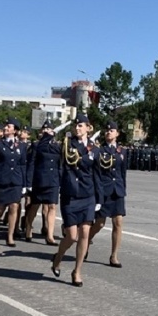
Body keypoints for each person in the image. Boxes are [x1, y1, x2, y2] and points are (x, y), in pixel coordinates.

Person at [51, 114, 100, 287]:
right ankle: (58, 258)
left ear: (88, 128)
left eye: (81, 126)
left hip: (87, 195)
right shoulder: (66, 145)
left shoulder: (95, 149)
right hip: (70, 195)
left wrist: (99, 198)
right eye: (76, 126)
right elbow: (49, 150)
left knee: (85, 233)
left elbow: (97, 175)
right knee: (72, 236)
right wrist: (51, 134)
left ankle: (77, 271)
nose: (77, 128)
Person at [88, 120, 128, 267]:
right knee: (99, 224)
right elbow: (96, 173)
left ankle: (114, 256)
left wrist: (123, 189)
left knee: (118, 222)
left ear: (117, 133)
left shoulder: (122, 151)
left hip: (117, 191)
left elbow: (122, 172)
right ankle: (86, 241)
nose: (108, 132)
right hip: (104, 191)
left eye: (111, 130)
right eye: (107, 130)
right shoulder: (99, 150)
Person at [0, 117, 29, 247]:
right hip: (2, 179)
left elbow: (23, 165)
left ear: (15, 130)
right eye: (6, 126)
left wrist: (24, 184)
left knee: (14, 207)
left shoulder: (21, 146)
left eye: (9, 126)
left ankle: (10, 236)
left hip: (16, 181)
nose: (6, 128)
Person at [22, 120, 60, 245]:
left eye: (49, 129)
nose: (46, 131)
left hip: (53, 179)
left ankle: (50, 234)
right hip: (39, 179)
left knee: (52, 206)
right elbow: (31, 164)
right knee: (35, 205)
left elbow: (59, 164)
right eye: (44, 129)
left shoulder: (57, 145)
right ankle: (28, 227)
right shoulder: (37, 145)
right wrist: (29, 182)